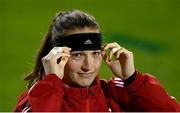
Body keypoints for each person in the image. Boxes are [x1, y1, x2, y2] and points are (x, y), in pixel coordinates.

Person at [14, 9, 180, 112]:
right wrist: (51, 83)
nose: (89, 66)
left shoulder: (116, 94)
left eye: (95, 53)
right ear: (56, 57)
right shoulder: (34, 101)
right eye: (77, 55)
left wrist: (132, 79)